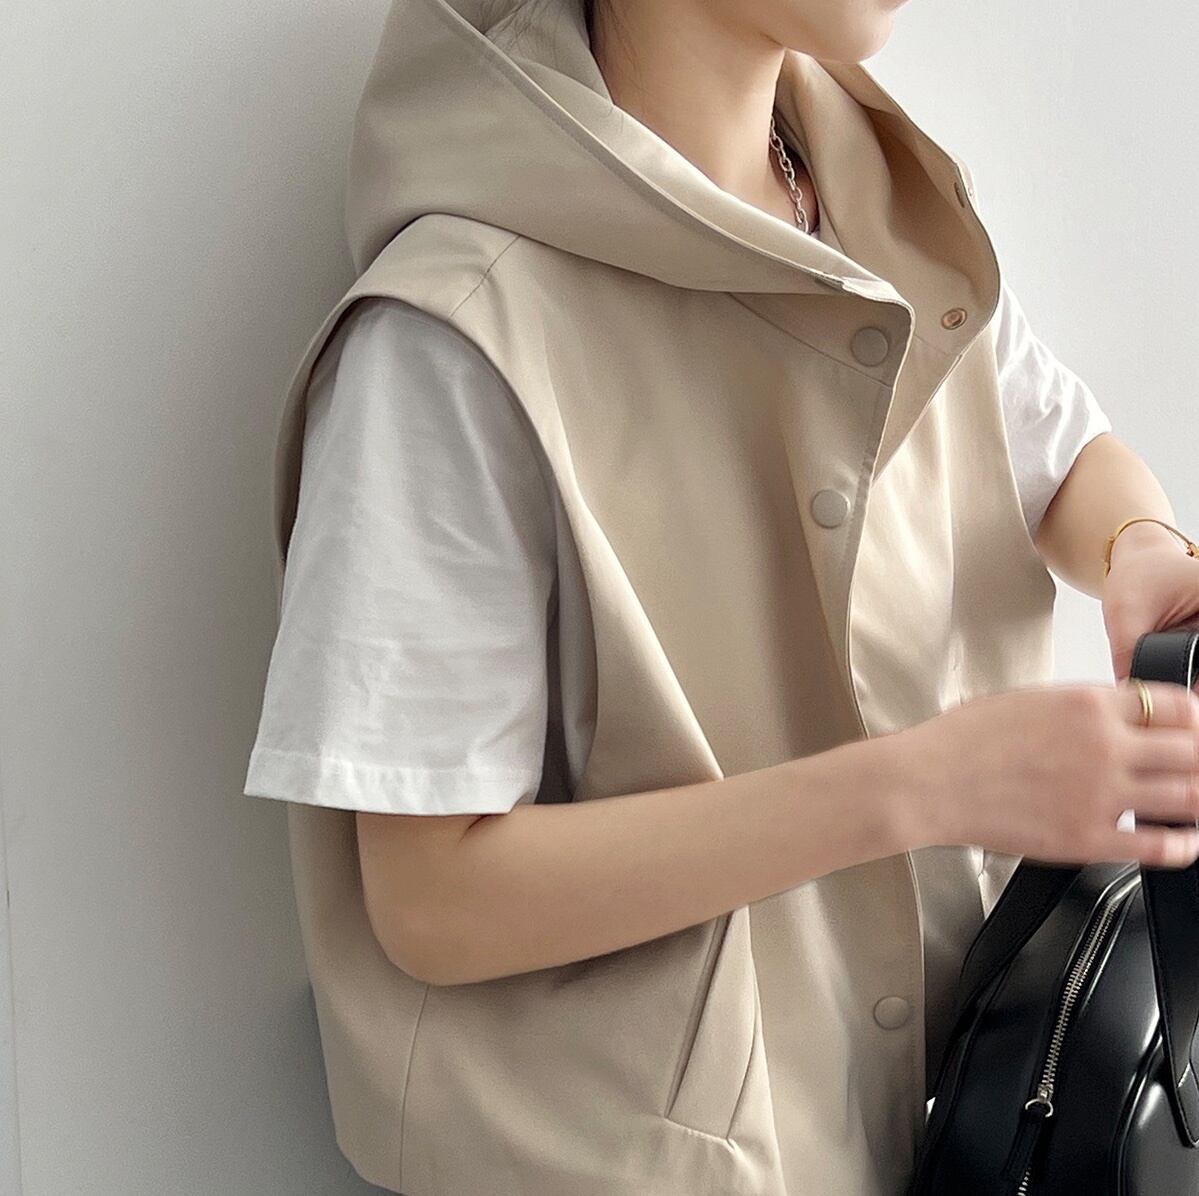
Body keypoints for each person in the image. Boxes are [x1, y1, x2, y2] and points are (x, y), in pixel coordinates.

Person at [242, 0, 1199, 1192]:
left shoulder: (880, 213)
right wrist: (919, 784)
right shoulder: (453, 337)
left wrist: (1137, 546)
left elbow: (1056, 448)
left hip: (949, 1123)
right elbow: (431, 898)